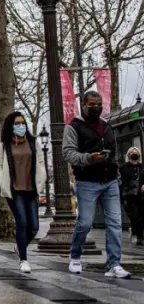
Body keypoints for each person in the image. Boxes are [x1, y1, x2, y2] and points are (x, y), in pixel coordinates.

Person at [64, 90, 131, 278]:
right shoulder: (73, 127)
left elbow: (114, 151)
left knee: (115, 223)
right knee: (85, 223)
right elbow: (68, 153)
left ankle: (114, 264)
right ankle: (75, 256)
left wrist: (114, 169)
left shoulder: (107, 126)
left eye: (99, 104)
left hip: (110, 181)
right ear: (83, 105)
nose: (96, 107)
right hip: (87, 182)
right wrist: (89, 158)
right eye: (92, 104)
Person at [0, 112, 47, 273]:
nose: (21, 126)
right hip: (14, 190)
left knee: (34, 227)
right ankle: (23, 259)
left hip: (31, 189)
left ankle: (19, 245)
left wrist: (42, 177)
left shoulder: (32, 142)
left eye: (23, 123)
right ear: (11, 126)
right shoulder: (4, 144)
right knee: (22, 223)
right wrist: (2, 182)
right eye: (17, 123)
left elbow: (40, 161)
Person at [120, 147, 144, 246]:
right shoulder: (123, 168)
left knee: (141, 216)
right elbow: (121, 182)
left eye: (137, 153)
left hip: (141, 195)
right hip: (129, 196)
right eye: (133, 153)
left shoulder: (142, 167)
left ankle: (140, 237)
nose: (135, 154)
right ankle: (135, 232)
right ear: (129, 155)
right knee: (134, 216)